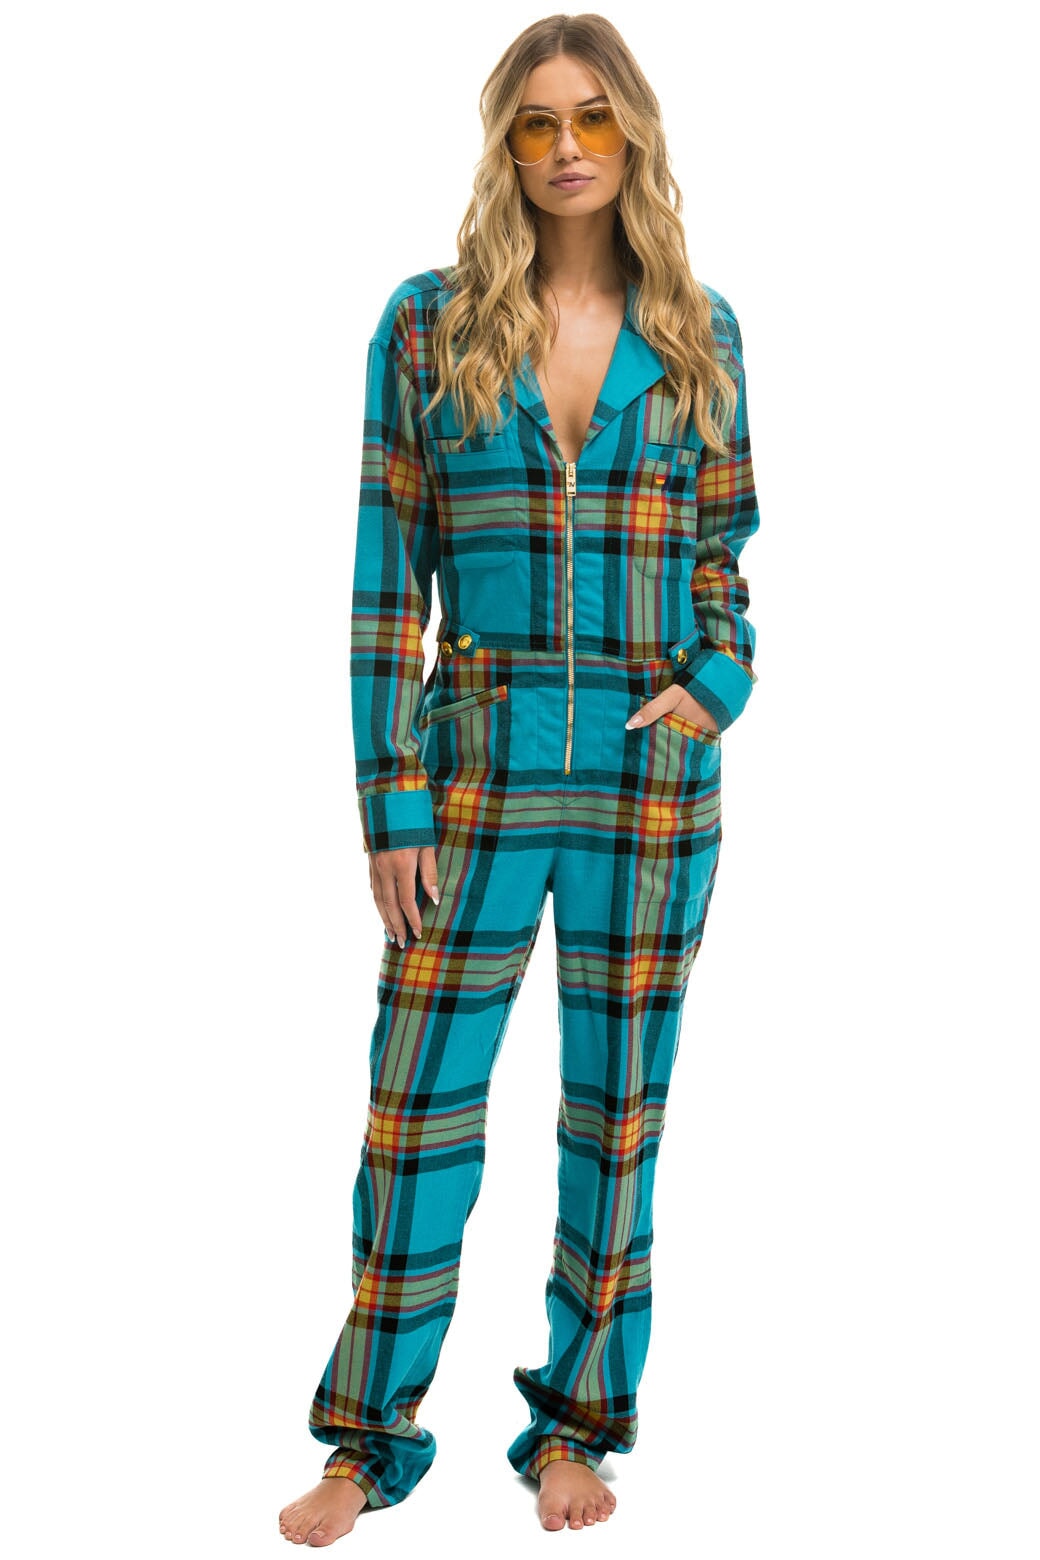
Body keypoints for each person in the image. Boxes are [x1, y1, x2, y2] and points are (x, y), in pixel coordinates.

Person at [279, 10, 761, 1545]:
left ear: (634, 137)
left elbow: (725, 559)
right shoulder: (427, 326)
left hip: (646, 781)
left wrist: (715, 686)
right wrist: (390, 799)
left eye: (594, 119)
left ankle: (576, 1427)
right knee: (417, 1106)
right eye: (538, 123)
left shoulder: (697, 330)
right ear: (505, 145)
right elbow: (385, 579)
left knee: (616, 1114)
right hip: (474, 775)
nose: (566, 149)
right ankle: (366, 1440)